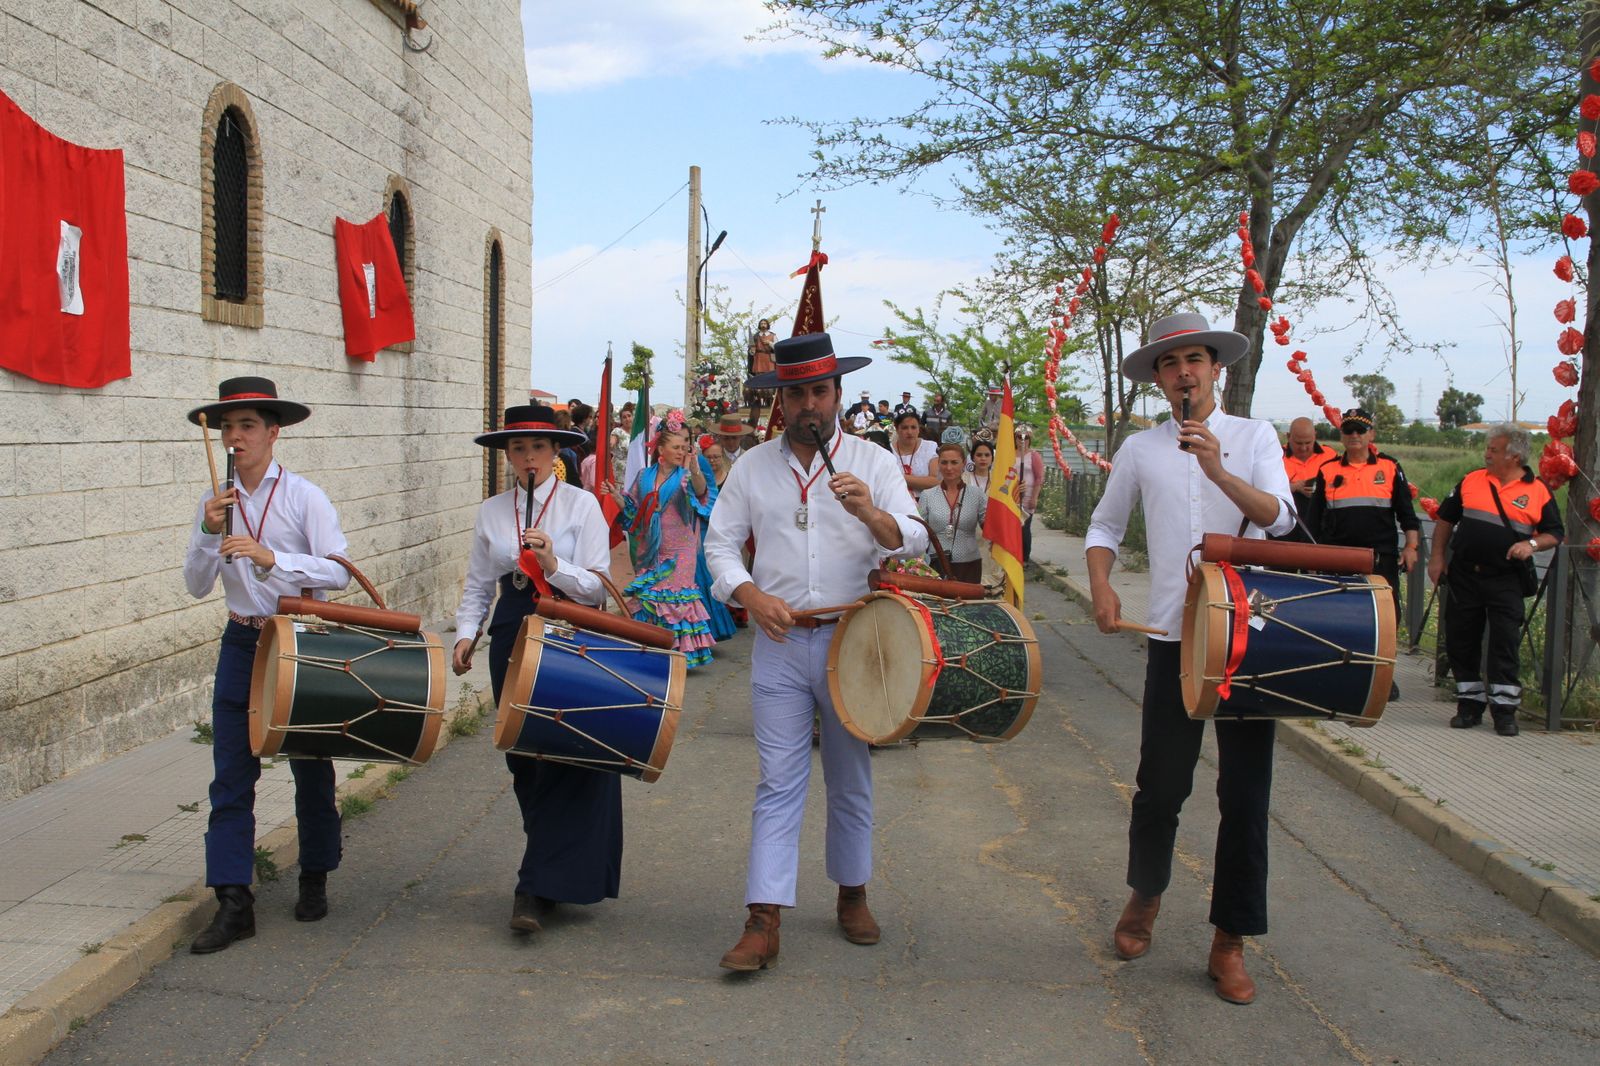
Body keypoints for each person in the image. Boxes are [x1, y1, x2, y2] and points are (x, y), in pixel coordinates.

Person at [1084, 312, 1295, 1006]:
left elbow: (1279, 518)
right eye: (1170, 363)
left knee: (1244, 797)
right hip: (1176, 639)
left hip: (1248, 639)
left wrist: (1216, 468)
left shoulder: (1253, 436)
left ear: (1216, 370)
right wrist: (1102, 583)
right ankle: (1145, 895)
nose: (1184, 372)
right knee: (1161, 785)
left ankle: (1230, 940)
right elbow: (1105, 525)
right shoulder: (1141, 449)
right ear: (1159, 377)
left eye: (1195, 359)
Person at [704, 331, 928, 972]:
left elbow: (910, 538)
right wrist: (748, 593)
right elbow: (720, 545)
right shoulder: (752, 466)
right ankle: (763, 917)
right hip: (778, 642)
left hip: (855, 641)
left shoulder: (874, 460)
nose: (808, 404)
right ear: (781, 399)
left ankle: (852, 892)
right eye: (796, 391)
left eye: (819, 391)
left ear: (838, 393)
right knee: (777, 781)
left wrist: (871, 515)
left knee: (850, 775)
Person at [182, 377, 353, 953]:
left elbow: (338, 571)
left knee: (310, 764)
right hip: (242, 641)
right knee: (231, 774)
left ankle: (314, 875)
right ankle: (234, 900)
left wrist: (270, 556)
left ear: (273, 433)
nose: (235, 437)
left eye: (247, 425)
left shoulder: (304, 496)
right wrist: (209, 533)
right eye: (228, 427)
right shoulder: (216, 499)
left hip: (300, 640)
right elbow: (194, 585)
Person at [451, 405, 616, 933]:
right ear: (508, 456)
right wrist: (464, 634)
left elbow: (597, 586)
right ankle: (548, 867)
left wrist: (552, 564)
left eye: (538, 448)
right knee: (523, 756)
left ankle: (535, 885)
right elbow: (480, 582)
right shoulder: (493, 511)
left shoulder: (580, 505)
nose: (528, 458)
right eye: (518, 448)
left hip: (568, 629)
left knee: (565, 753)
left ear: (555, 453)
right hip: (513, 629)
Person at [1427, 425, 1564, 737]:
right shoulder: (1472, 480)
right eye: (1488, 448)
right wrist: (1436, 558)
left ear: (1514, 456)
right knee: (1462, 640)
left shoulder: (1538, 490)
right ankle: (1469, 706)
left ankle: (1504, 712)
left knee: (1505, 642)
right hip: (1464, 574)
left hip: (1506, 579)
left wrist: (1530, 546)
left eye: (1493, 449)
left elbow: (1554, 533)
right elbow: (1446, 520)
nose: (1487, 453)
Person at [1312, 408, 1420, 697]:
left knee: (1385, 617)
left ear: (1371, 434)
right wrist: (1311, 557)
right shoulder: (1328, 470)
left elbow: (1407, 515)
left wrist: (1411, 547)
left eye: (1361, 430)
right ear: (1342, 435)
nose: (1355, 436)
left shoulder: (1390, 468)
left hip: (1379, 557)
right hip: (1337, 557)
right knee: (1337, 615)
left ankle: (1382, 675)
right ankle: (1339, 671)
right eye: (1349, 431)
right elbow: (1313, 521)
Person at [615, 411, 730, 666]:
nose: (682, 451)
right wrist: (617, 498)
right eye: (676, 447)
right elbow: (634, 507)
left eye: (685, 446)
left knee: (676, 598)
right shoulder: (644, 476)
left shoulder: (686, 475)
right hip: (651, 546)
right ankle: (652, 648)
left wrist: (696, 470)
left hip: (681, 548)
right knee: (649, 596)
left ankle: (680, 655)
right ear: (661, 450)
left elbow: (701, 494)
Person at [918, 442, 987, 582]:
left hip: (969, 564)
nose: (949, 468)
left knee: (969, 604)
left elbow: (990, 526)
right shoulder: (927, 495)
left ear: (963, 463)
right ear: (938, 464)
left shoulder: (977, 494)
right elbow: (919, 531)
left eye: (954, 462)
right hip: (935, 565)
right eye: (944, 462)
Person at [1276, 415, 1335, 540]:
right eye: (1298, 443)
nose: (1303, 448)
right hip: (1286, 524)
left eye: (1308, 443)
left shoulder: (1330, 455)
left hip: (1320, 524)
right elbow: (1266, 490)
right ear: (1288, 436)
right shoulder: (1277, 457)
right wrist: (1294, 487)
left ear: (1315, 436)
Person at [966, 436, 1004, 590]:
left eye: (987, 455)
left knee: (992, 574)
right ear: (973, 457)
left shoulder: (1001, 481)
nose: (983, 459)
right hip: (969, 533)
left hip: (993, 535)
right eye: (979, 455)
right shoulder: (963, 479)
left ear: (992, 458)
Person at [1006, 424, 1045, 563]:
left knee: (1024, 527)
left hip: (1027, 496)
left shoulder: (1034, 456)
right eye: (1019, 437)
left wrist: (1034, 497)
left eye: (1026, 437)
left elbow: (1039, 477)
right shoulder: (1009, 454)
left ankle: (1024, 558)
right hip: (1011, 495)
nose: (1022, 440)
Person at [890, 409, 939, 498]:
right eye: (905, 428)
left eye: (913, 427)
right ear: (897, 429)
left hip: (925, 503)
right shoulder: (888, 451)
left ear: (919, 429)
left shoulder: (929, 447)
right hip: (896, 502)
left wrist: (899, 477)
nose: (909, 432)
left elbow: (935, 481)